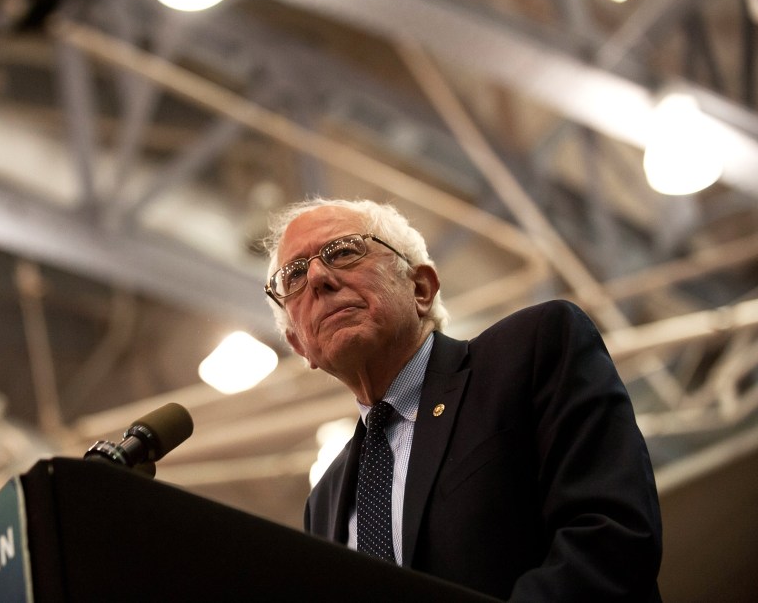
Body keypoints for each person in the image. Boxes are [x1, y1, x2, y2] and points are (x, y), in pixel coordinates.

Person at [262, 198, 662, 602]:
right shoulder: (324, 503)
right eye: (292, 275)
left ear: (420, 288)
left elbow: (610, 537)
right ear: (300, 346)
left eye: (343, 251)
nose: (316, 277)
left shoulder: (533, 350)